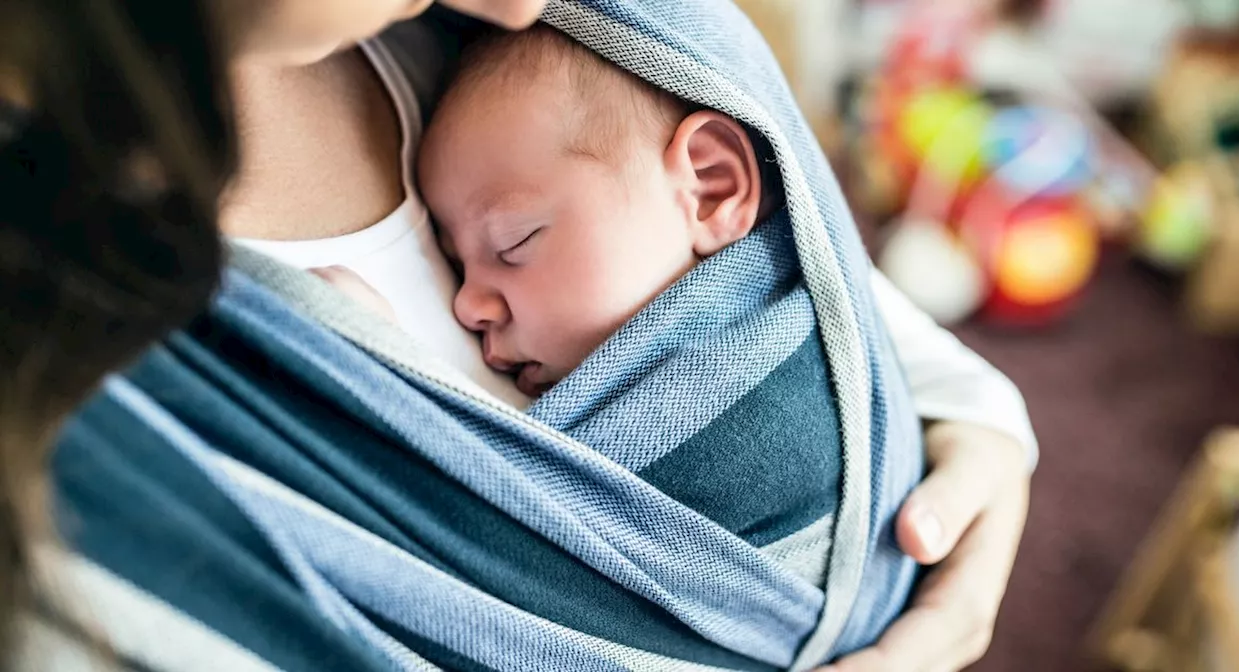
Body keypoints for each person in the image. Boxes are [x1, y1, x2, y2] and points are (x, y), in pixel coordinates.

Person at [1, 1, 1032, 671]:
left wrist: (977, 419)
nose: (514, 5)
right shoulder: (82, 410)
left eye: (516, 243)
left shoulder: (565, 42)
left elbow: (788, 264)